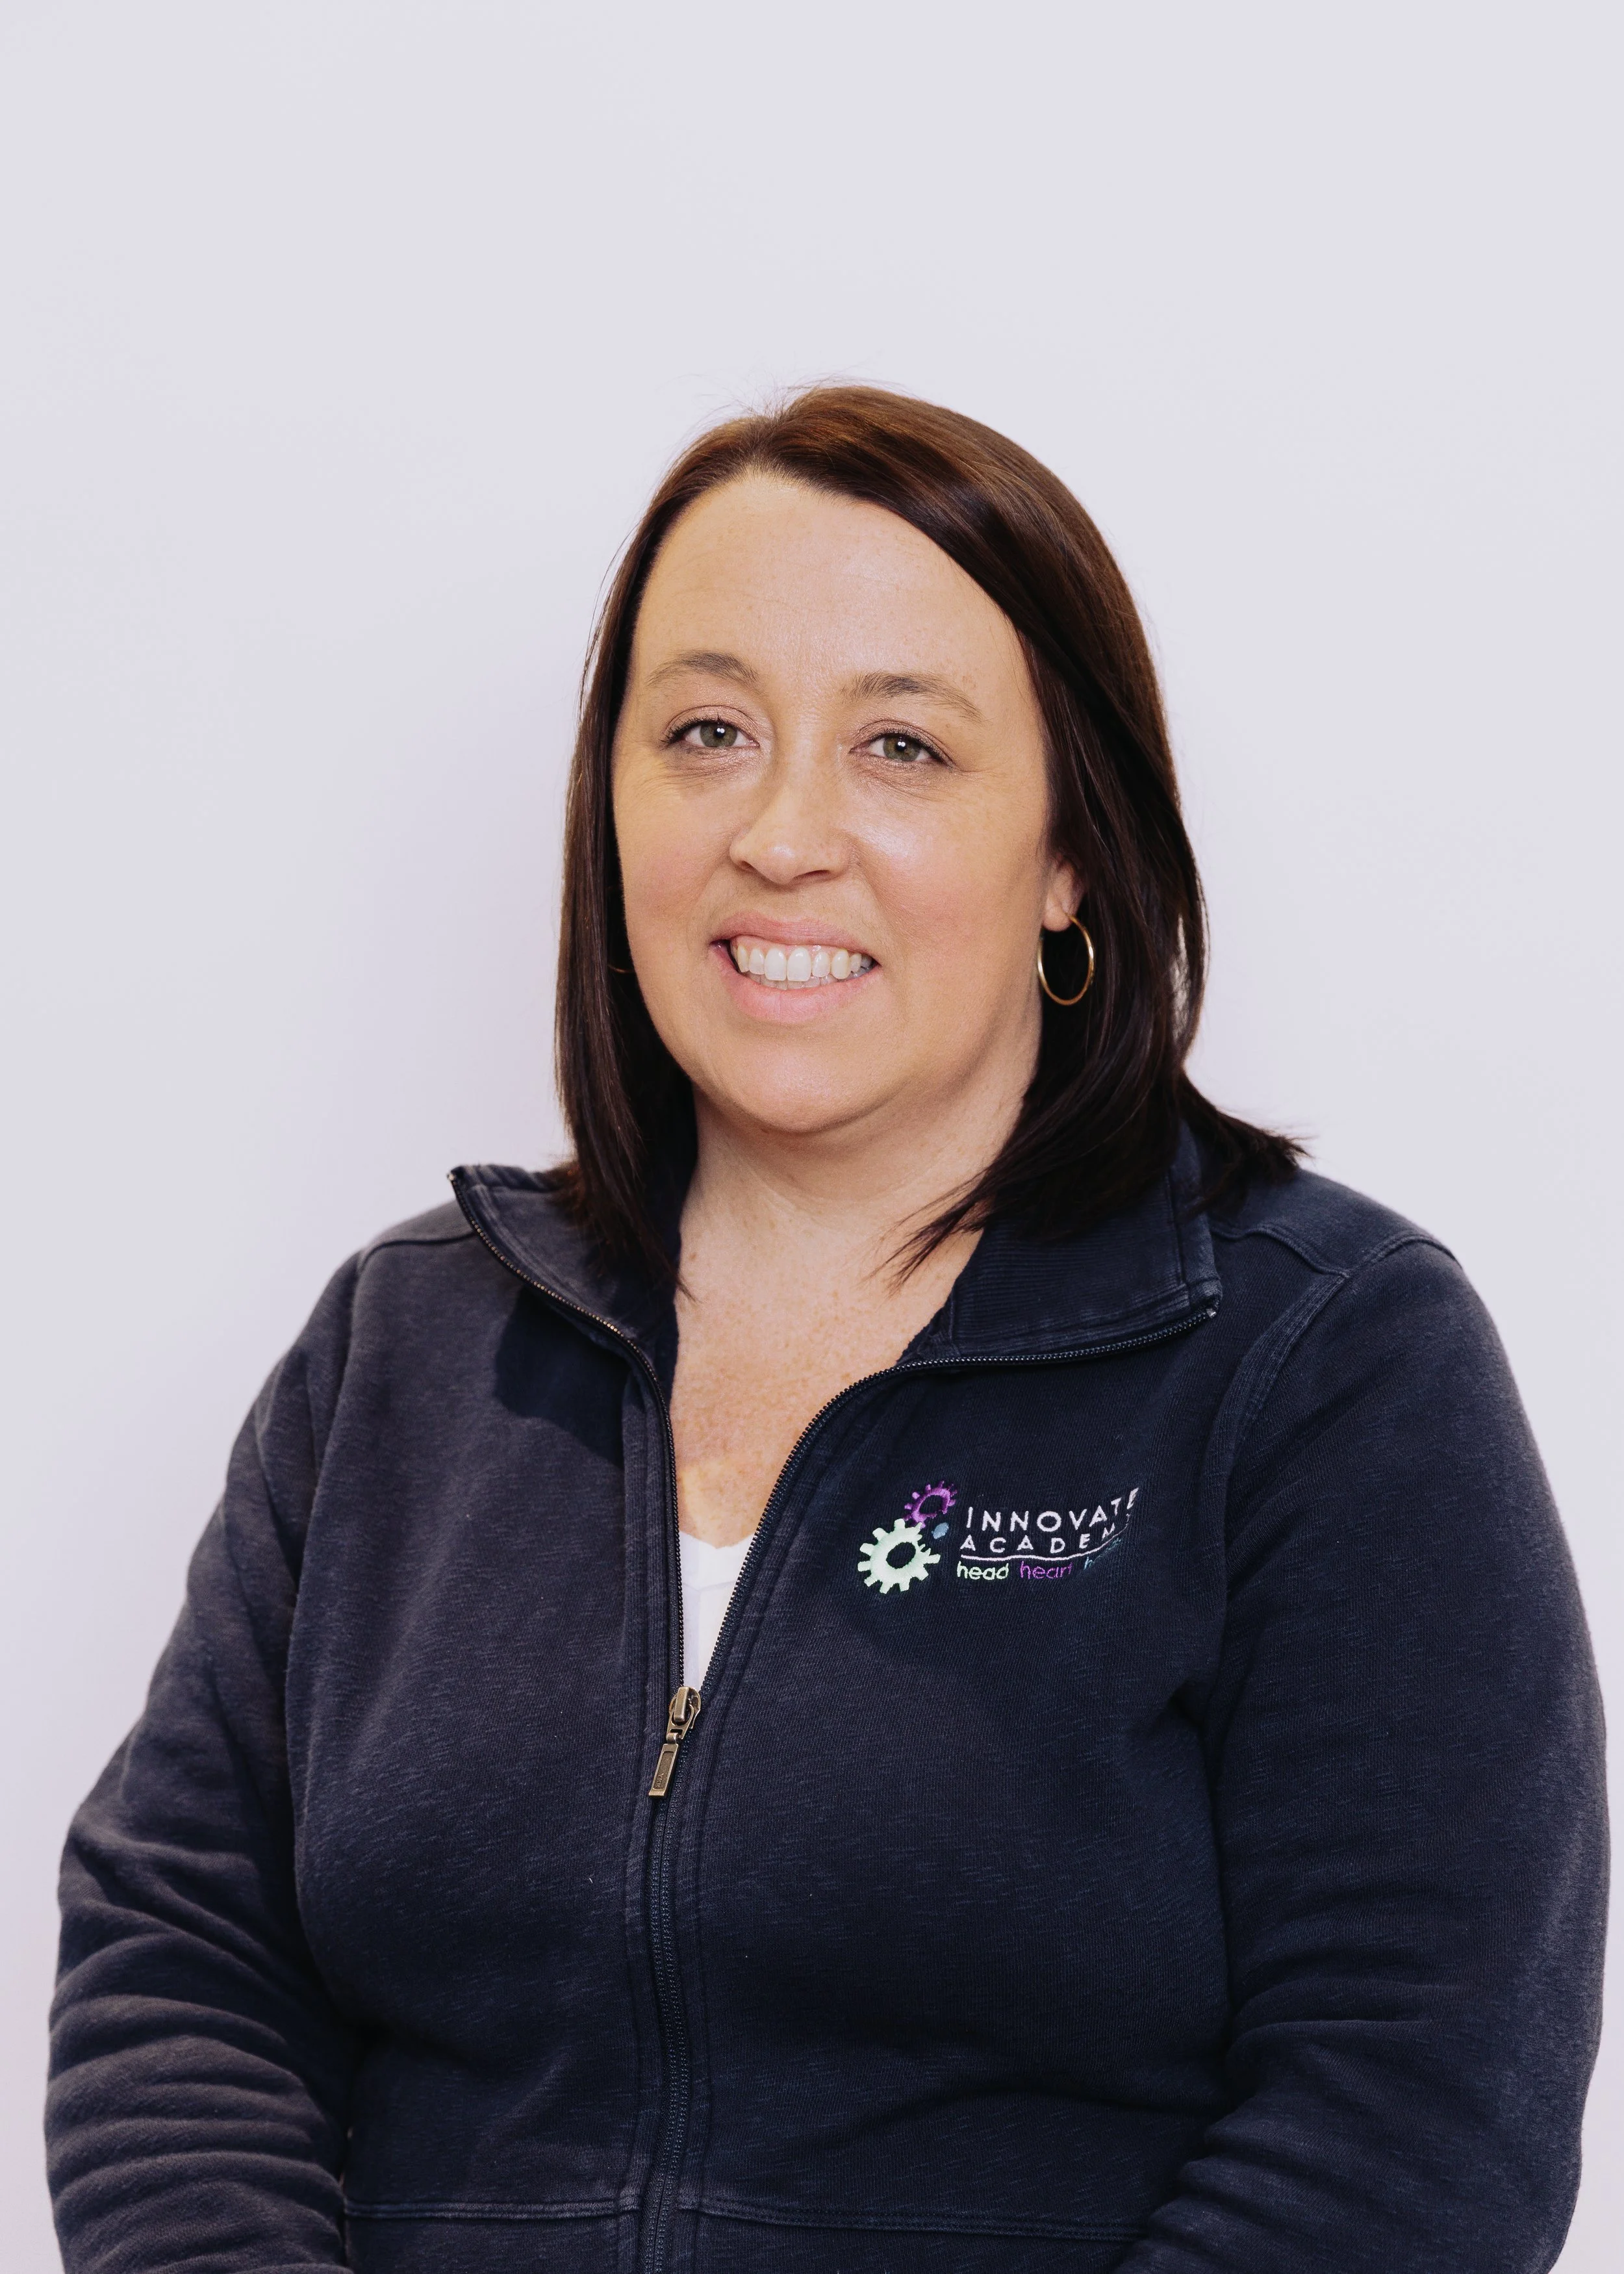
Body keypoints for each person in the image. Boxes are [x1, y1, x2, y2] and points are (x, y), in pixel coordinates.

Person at [47, 387, 1605, 2274]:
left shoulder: (1323, 1362)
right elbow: (178, 1966)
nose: (783, 834)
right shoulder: (406, 1347)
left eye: (901, 746)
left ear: (1071, 856)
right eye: (705, 732)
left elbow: (1412, 2118)